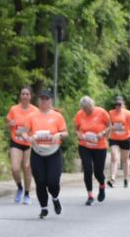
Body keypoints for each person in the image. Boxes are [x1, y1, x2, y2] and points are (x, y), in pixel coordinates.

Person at [22, 90, 68, 219]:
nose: (43, 101)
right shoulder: (32, 116)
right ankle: (44, 208)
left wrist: (59, 134)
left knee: (53, 182)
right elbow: (24, 132)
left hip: (53, 153)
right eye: (41, 98)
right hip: (37, 153)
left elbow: (65, 133)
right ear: (38, 100)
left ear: (50, 101)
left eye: (46, 99)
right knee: (40, 182)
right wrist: (28, 138)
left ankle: (55, 198)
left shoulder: (57, 116)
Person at [73, 96, 111, 205]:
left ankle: (102, 185)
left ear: (92, 106)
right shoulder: (80, 114)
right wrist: (80, 135)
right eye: (84, 109)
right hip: (84, 146)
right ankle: (90, 195)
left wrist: (102, 133)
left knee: (98, 172)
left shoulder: (101, 112)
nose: (86, 111)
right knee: (87, 169)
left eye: (88, 109)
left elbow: (109, 126)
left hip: (100, 147)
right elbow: (76, 129)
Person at [6, 87, 35, 204]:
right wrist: (10, 124)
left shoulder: (35, 111)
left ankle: (27, 194)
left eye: (27, 94)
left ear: (30, 97)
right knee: (15, 168)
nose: (25, 96)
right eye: (23, 94)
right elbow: (8, 123)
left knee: (27, 167)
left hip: (28, 142)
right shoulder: (14, 109)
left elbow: (37, 126)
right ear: (20, 96)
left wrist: (28, 133)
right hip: (16, 141)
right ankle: (19, 187)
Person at [107, 95, 130, 189]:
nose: (118, 106)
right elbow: (108, 125)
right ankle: (112, 179)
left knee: (125, 160)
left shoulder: (127, 113)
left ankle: (126, 178)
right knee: (114, 157)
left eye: (119, 104)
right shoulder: (111, 113)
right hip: (114, 138)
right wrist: (107, 133)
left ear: (122, 104)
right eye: (116, 104)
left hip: (125, 138)